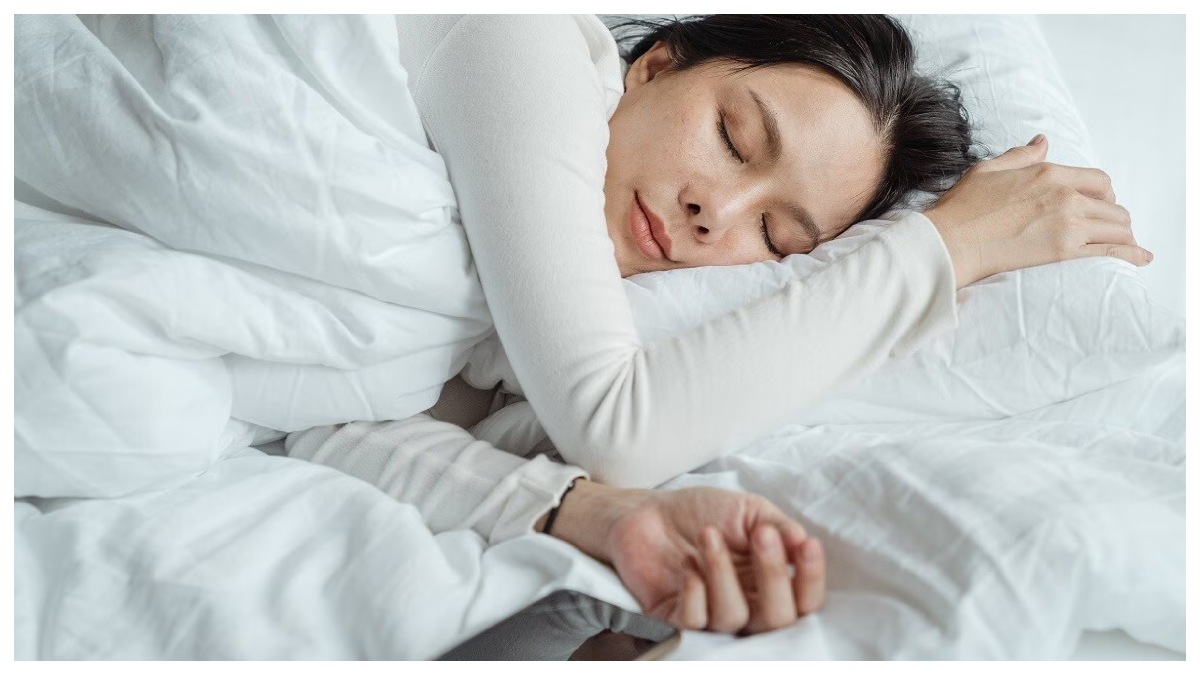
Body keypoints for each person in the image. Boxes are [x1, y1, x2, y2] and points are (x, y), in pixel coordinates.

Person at [286, 14, 1150, 637]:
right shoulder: (517, 40)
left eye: (775, 237)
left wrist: (598, 518)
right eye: (734, 138)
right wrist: (945, 249)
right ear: (656, 66)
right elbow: (617, 425)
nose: (716, 212)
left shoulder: (496, 331)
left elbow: (325, 428)